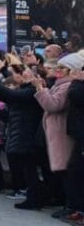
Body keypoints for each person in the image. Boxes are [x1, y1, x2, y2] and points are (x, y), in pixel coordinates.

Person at [0, 66, 45, 209]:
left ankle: (35, 198)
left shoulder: (33, 91)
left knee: (31, 168)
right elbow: (9, 97)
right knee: (27, 167)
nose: (24, 74)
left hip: (28, 132)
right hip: (21, 131)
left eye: (28, 73)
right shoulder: (24, 89)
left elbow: (14, 96)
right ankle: (34, 197)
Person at [34, 52, 80, 215]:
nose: (58, 70)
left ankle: (70, 205)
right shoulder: (60, 83)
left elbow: (53, 105)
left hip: (62, 132)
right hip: (56, 130)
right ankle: (67, 203)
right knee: (63, 170)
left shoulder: (67, 86)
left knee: (66, 169)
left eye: (62, 68)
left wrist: (40, 90)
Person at [65, 54, 84, 226]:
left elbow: (76, 96)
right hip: (79, 133)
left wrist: (77, 81)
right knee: (75, 170)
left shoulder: (79, 86)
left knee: (78, 170)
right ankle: (78, 208)